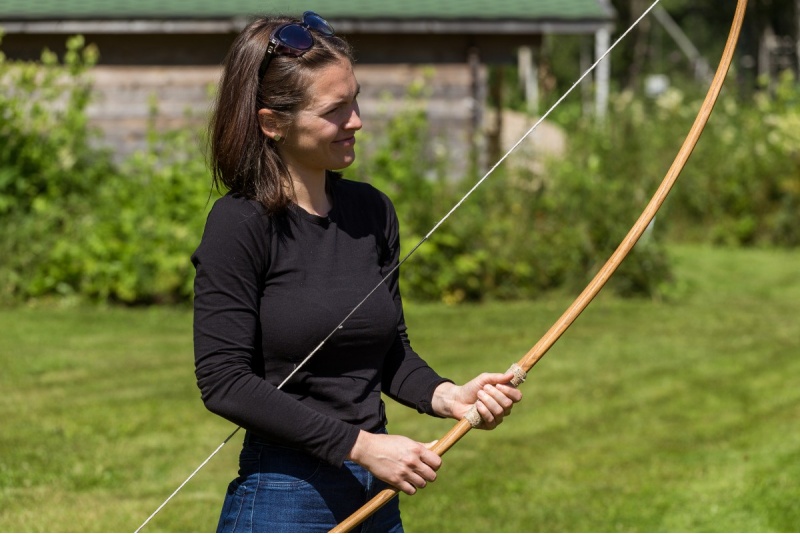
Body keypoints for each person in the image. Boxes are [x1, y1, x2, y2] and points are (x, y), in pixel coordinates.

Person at [192, 11, 523, 533]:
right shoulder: (239, 223)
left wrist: (446, 395)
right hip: (284, 495)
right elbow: (224, 381)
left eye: (356, 99)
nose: (357, 121)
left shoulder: (372, 212)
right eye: (334, 110)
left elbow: (388, 352)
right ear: (272, 123)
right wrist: (361, 446)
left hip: (374, 495)